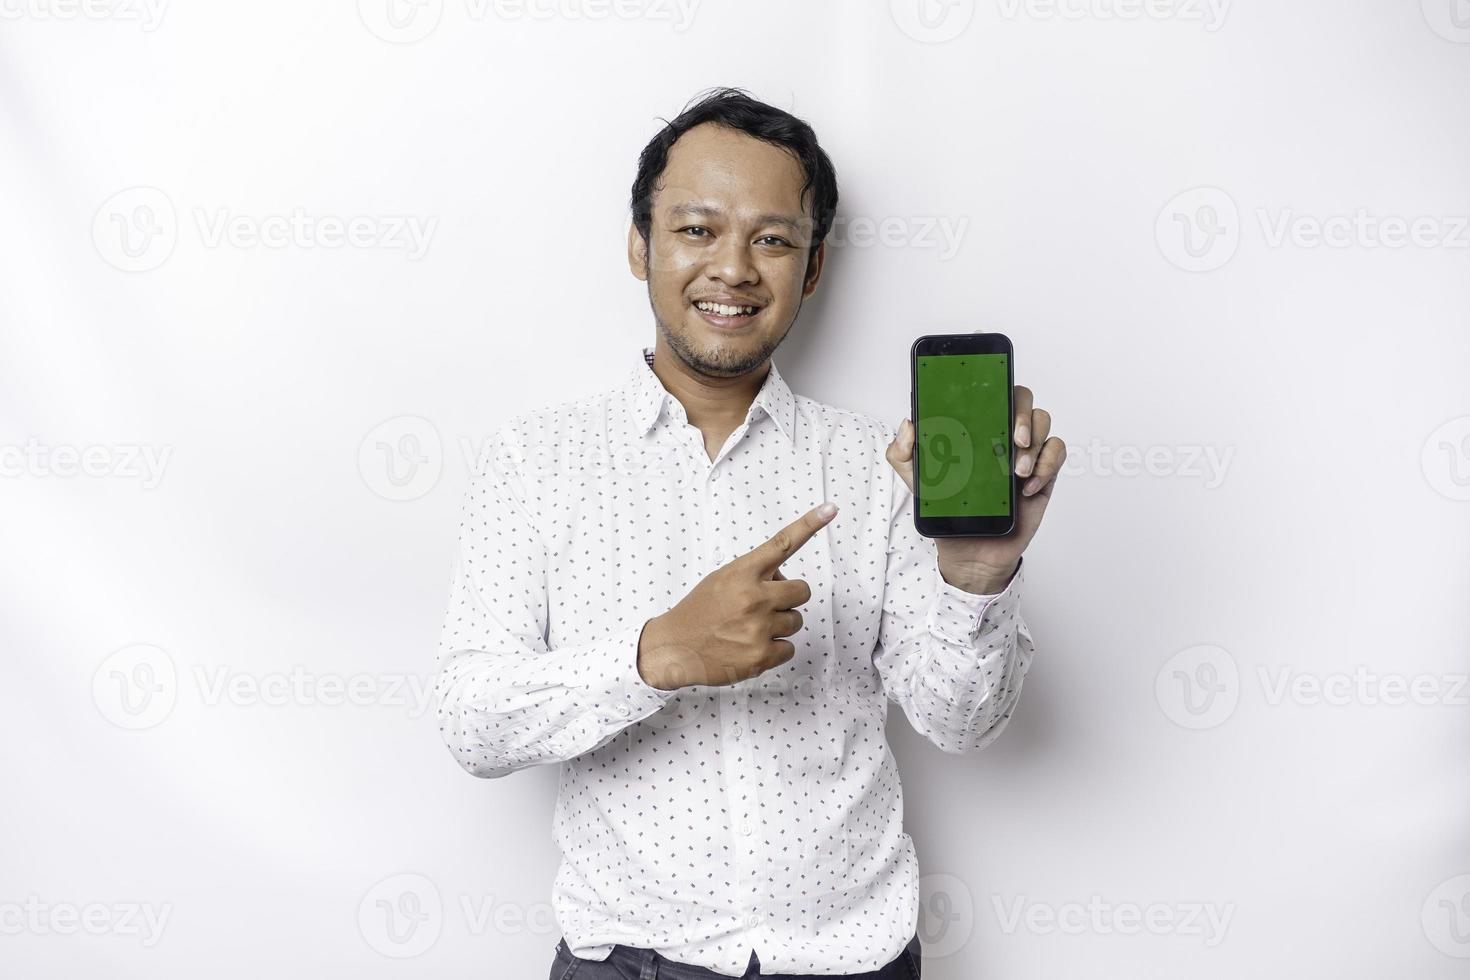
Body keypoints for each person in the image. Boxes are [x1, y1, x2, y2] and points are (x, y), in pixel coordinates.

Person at [432, 87, 1065, 980]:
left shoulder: (876, 467)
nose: (733, 267)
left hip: (854, 962)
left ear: (811, 270)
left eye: (772, 238)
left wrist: (974, 574)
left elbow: (962, 725)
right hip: (629, 964)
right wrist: (655, 655)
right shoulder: (536, 461)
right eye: (696, 229)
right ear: (638, 244)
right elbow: (472, 720)